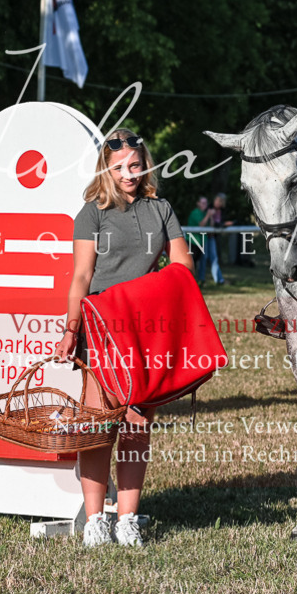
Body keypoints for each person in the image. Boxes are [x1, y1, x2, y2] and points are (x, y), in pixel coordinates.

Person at [55, 129, 193, 548]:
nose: (128, 174)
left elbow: (182, 264)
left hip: (145, 326)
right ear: (106, 170)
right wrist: (70, 329)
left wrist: (153, 291)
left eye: (135, 165)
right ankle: (95, 520)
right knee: (99, 423)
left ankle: (127, 518)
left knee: (137, 424)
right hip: (100, 326)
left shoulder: (161, 208)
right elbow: (80, 276)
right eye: (119, 168)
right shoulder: (91, 213)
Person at [186, 196, 215, 282]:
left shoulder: (204, 213)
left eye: (206, 203)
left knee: (199, 262)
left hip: (201, 241)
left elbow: (212, 227)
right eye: (202, 203)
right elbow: (201, 225)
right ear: (198, 203)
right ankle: (189, 281)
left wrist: (211, 217)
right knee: (192, 263)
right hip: (193, 241)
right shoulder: (195, 213)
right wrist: (208, 215)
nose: (204, 205)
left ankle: (198, 280)